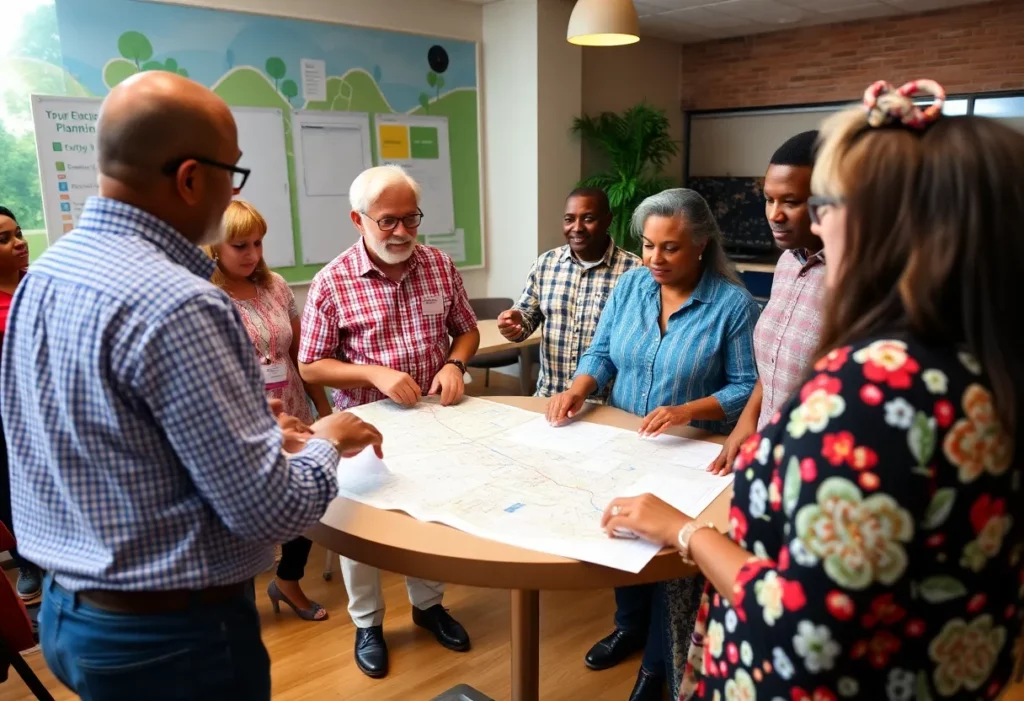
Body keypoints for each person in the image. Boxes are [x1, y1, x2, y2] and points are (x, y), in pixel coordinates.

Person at [600, 79, 1024, 701]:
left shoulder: (874, 391)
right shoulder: (976, 362)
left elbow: (803, 627)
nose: (813, 224)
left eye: (824, 204)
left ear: (892, 222)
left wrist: (686, 533)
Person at [0, 72, 383, 701]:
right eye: (231, 172)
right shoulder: (182, 304)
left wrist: (249, 436)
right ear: (189, 178)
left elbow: (86, 439)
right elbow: (269, 511)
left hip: (71, 615)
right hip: (170, 637)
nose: (232, 190)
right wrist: (325, 440)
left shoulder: (45, 276)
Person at [548, 188, 760, 701]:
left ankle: (657, 664)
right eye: (647, 246)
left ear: (702, 246)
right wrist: (578, 386)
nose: (654, 260)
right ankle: (628, 625)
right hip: (625, 440)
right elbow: (602, 352)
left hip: (690, 452)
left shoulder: (733, 305)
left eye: (670, 248)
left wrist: (689, 410)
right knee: (624, 530)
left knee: (669, 560)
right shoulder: (630, 287)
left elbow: (746, 383)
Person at [298, 164, 479, 679]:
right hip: (363, 430)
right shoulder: (332, 281)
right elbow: (310, 363)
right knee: (365, 533)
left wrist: (454, 362)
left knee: (431, 515)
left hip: (433, 418)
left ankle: (428, 607)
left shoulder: (439, 266)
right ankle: (368, 624)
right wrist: (373, 373)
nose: (401, 232)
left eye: (410, 220)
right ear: (358, 219)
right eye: (387, 222)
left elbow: (465, 331)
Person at [206, 199, 334, 622]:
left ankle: (289, 580)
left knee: (307, 505)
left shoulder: (276, 285)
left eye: (258, 243)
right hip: (243, 422)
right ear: (214, 246)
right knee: (246, 515)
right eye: (240, 245)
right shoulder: (205, 297)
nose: (252, 254)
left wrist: (321, 406)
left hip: (294, 408)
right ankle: (236, 604)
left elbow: (302, 354)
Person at [709, 131, 825, 475]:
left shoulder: (856, 281)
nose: (774, 214)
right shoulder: (788, 262)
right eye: (768, 199)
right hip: (764, 453)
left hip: (809, 468)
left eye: (790, 201)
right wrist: (747, 421)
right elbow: (773, 364)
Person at [497, 187, 640, 398]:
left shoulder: (635, 271)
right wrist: (515, 323)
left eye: (588, 218)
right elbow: (527, 316)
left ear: (608, 220)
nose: (577, 227)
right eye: (569, 219)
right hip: (549, 397)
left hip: (605, 404)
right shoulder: (545, 264)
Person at [0, 206, 39, 602]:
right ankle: (27, 561)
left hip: (48, 409)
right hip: (5, 419)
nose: (19, 242)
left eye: (18, 232)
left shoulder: (40, 285)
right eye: (4, 238)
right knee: (10, 491)